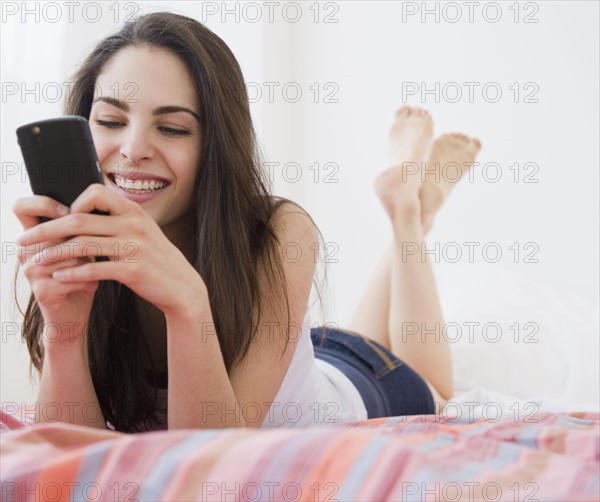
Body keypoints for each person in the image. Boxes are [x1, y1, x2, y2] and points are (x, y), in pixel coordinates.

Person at [13, 12, 481, 432]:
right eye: (110, 121)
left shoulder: (279, 229)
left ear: (217, 145)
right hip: (303, 357)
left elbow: (213, 463)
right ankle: (412, 206)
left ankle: (407, 215)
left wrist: (187, 300)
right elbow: (70, 463)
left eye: (172, 128)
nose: (133, 149)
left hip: (365, 381)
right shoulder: (78, 252)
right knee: (350, 340)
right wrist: (65, 329)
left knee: (439, 389)